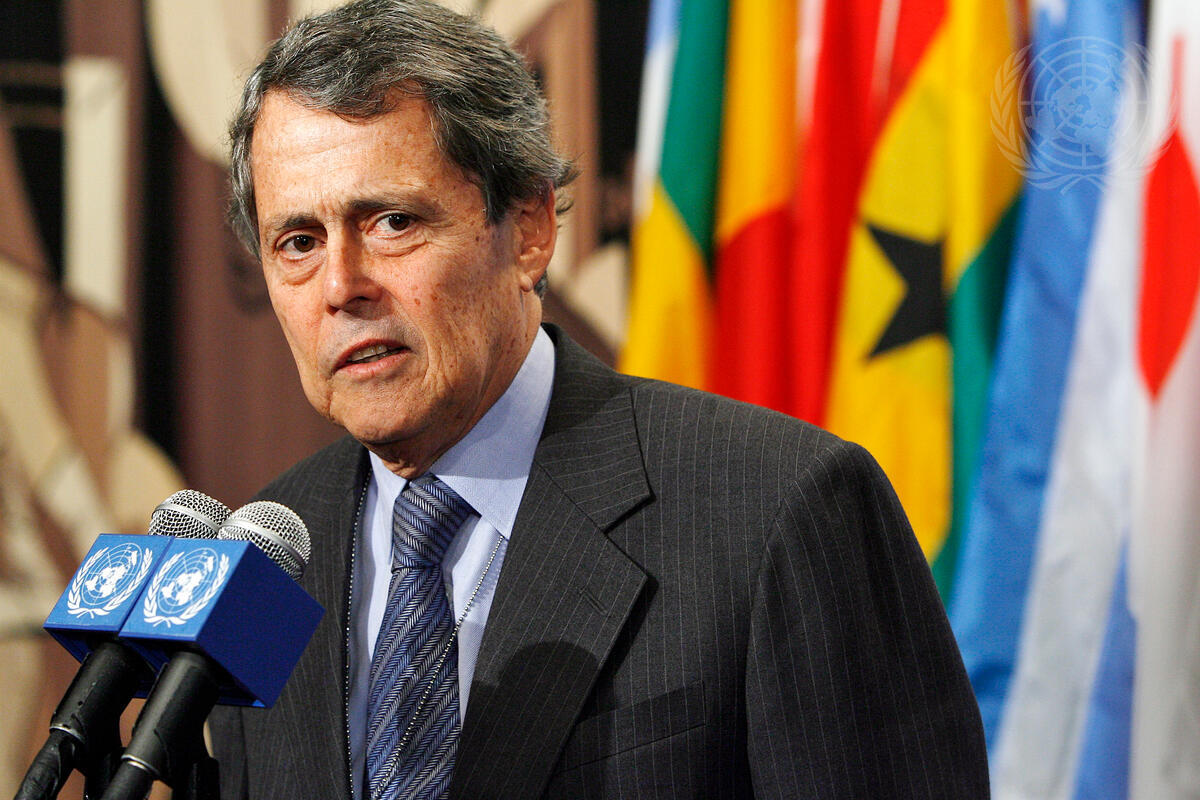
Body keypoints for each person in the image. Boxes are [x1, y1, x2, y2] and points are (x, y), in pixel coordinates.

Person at [207, 1, 989, 798]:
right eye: (298, 243)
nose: (341, 286)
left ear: (529, 229)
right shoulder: (266, 566)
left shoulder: (779, 510)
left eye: (392, 222)